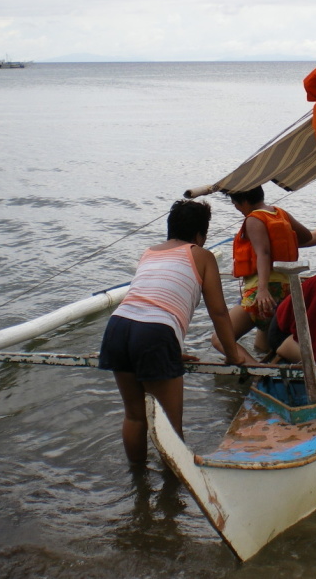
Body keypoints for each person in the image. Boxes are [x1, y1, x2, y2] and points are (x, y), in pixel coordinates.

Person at [98, 199, 253, 464]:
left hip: (118, 327)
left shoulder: (150, 252)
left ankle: (139, 485)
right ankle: (173, 493)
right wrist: (234, 355)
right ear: (200, 235)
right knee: (171, 427)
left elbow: (149, 302)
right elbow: (218, 312)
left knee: (134, 415)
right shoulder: (201, 255)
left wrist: (170, 353)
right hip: (155, 335)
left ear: (170, 228)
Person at [211, 186, 316, 354]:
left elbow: (263, 253)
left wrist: (262, 290)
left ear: (245, 201)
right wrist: (281, 241)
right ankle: (264, 373)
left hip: (263, 293)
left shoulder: (254, 219)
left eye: (236, 204)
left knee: (220, 338)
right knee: (263, 346)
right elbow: (306, 236)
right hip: (285, 291)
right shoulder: (279, 213)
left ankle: (254, 369)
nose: (237, 209)